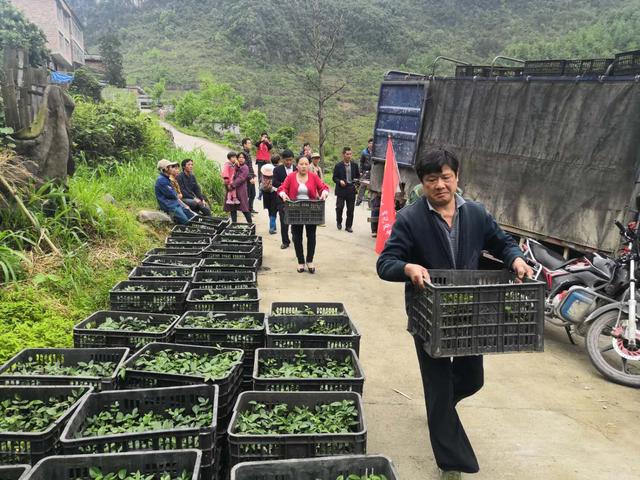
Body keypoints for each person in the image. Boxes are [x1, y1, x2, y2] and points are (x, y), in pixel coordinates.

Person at [376, 149, 533, 480]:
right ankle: (452, 462)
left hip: (468, 315)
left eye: (446, 177)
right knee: (436, 384)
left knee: (472, 379)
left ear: (457, 177)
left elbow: (503, 242)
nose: (440, 185)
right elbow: (385, 263)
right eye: (432, 179)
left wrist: (515, 258)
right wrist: (408, 266)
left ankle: (440, 409)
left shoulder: (476, 213)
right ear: (423, 183)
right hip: (428, 314)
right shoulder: (411, 219)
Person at [278, 155, 329, 273]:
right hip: (295, 210)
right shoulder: (291, 177)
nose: (304, 166)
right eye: (301, 164)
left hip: (311, 210)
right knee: (297, 237)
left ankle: (310, 260)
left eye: (306, 164)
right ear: (297, 165)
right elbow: (282, 188)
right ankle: (300, 261)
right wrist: (283, 194)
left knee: (311, 236)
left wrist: (324, 193)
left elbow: (323, 187)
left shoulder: (313, 177)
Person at [155, 159, 195, 225]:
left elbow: (175, 195)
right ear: (166, 168)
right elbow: (173, 195)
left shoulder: (167, 178)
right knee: (186, 221)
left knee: (192, 217)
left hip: (175, 203)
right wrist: (177, 196)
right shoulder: (162, 180)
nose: (173, 169)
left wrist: (183, 204)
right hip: (169, 206)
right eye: (171, 167)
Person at [332, 147, 360, 232]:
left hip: (351, 189)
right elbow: (334, 178)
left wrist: (357, 184)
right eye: (347, 154)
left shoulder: (354, 165)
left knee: (350, 209)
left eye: (350, 154)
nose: (349, 156)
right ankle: (339, 221)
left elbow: (358, 176)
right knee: (339, 207)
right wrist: (339, 181)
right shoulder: (338, 165)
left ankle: (348, 226)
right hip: (341, 189)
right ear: (343, 154)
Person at [273, 149, 297, 249]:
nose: (288, 162)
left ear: (293, 160)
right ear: (282, 160)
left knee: (295, 220)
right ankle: (285, 241)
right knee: (284, 221)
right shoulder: (277, 169)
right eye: (286, 160)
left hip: (295, 199)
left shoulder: (297, 169)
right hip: (281, 199)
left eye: (290, 160)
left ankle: (296, 238)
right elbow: (274, 182)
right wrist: (285, 185)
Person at [224, 151, 252, 224]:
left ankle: (250, 224)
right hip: (233, 190)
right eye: (239, 157)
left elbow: (241, 178)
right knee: (233, 209)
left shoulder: (245, 167)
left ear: (245, 159)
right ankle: (234, 224)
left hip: (241, 190)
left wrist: (232, 185)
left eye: (243, 157)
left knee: (244, 208)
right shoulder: (234, 165)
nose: (241, 159)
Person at [261, 163, 278, 234]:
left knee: (270, 211)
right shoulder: (273, 177)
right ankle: (272, 228)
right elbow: (274, 187)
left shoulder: (263, 177)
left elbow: (261, 186)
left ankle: (273, 225)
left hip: (265, 195)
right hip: (273, 195)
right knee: (274, 211)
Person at [241, 137, 258, 214]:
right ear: (244, 145)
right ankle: (246, 210)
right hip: (247, 178)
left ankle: (250, 209)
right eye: (249, 143)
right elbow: (245, 168)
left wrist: (254, 175)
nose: (250, 144)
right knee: (247, 195)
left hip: (251, 176)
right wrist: (250, 177)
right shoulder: (243, 154)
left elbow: (250, 166)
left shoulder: (248, 153)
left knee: (253, 194)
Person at [356, 138, 374, 206]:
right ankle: (358, 201)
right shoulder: (364, 152)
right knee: (362, 186)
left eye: (373, 143)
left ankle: (370, 203)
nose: (371, 145)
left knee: (371, 186)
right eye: (370, 143)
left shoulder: (375, 152)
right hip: (365, 171)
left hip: (373, 171)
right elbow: (361, 162)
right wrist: (360, 171)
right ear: (368, 144)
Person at [255, 133, 272, 200]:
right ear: (261, 137)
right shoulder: (259, 143)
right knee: (260, 177)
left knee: (267, 177)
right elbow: (256, 144)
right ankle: (260, 193)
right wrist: (261, 141)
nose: (265, 138)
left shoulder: (268, 143)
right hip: (260, 161)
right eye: (263, 136)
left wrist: (266, 142)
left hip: (267, 162)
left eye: (266, 137)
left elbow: (270, 147)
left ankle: (266, 192)